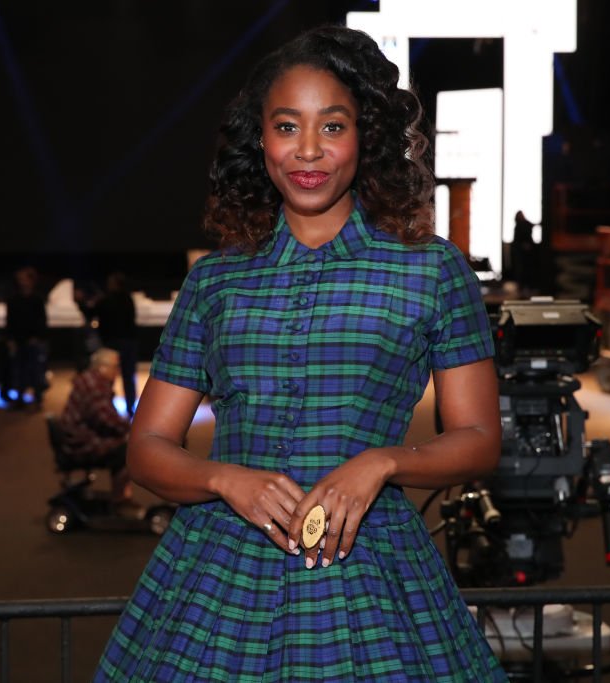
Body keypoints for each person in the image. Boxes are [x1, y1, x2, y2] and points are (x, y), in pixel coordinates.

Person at [93, 25, 508, 682]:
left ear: (365, 136)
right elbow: (147, 448)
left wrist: (383, 461)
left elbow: (481, 438)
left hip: (370, 570)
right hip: (221, 571)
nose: (308, 150)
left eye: (333, 127)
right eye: (287, 127)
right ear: (260, 139)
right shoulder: (215, 281)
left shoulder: (431, 271)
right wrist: (223, 478)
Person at [58, 347, 140, 516]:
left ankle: (121, 497)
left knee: (125, 446)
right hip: (81, 441)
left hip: (81, 435)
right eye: (115, 367)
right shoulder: (95, 385)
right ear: (102, 367)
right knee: (127, 452)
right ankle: (120, 501)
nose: (117, 371)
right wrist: (133, 430)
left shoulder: (93, 380)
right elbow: (105, 418)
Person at [75, 271, 139, 417]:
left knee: (107, 377)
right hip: (129, 342)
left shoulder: (106, 300)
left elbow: (90, 314)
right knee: (128, 377)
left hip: (112, 343)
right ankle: (130, 408)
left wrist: (80, 301)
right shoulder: (128, 299)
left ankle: (108, 408)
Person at [2, 266, 48, 408]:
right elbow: (10, 321)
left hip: (33, 340)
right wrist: (10, 339)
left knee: (36, 370)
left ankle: (37, 398)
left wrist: (38, 337)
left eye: (24, 279)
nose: (22, 282)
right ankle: (20, 398)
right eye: (20, 279)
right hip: (19, 340)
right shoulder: (14, 299)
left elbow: (42, 320)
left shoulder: (37, 299)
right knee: (19, 370)